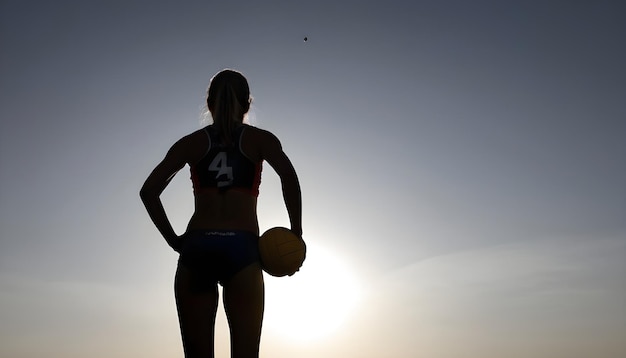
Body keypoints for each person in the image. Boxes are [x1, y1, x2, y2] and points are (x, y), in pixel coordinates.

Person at [140, 69, 302, 358]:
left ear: (209, 103)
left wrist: (175, 240)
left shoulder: (190, 143)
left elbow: (149, 191)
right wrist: (296, 232)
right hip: (242, 249)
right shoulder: (260, 140)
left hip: (197, 248)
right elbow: (289, 177)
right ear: (247, 104)